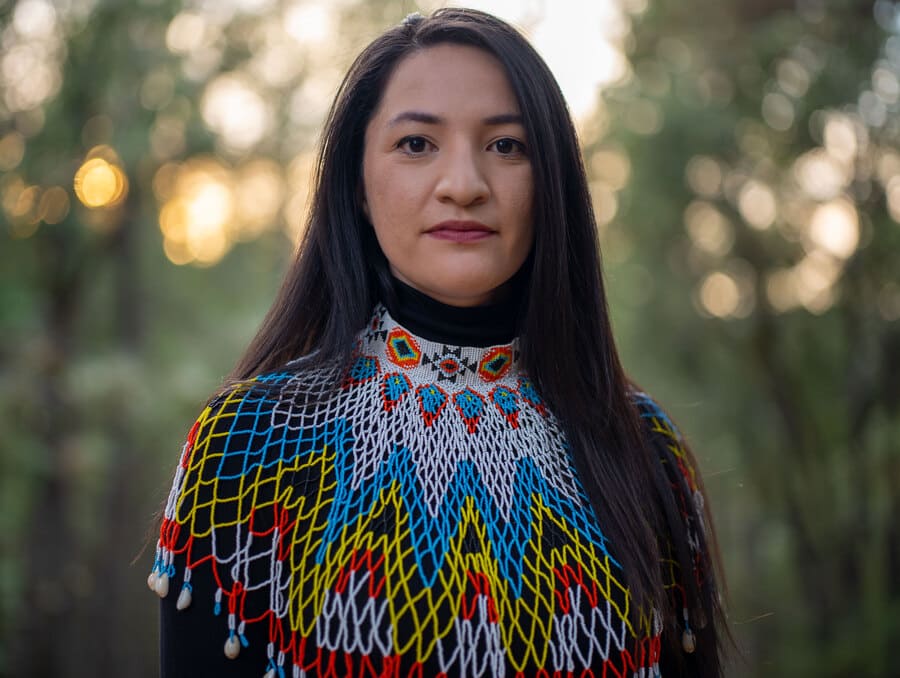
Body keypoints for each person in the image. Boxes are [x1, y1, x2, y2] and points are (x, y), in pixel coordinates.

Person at [148, 8, 727, 677]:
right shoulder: (249, 443)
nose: (464, 185)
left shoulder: (644, 449)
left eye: (507, 146)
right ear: (357, 185)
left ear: (554, 185)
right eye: (417, 144)